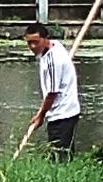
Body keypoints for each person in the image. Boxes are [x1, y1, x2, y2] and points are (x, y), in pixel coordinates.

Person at [22, 22, 80, 162]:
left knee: (59, 157)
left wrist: (40, 116)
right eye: (29, 43)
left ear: (45, 38)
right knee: (63, 153)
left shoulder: (53, 61)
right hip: (68, 111)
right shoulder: (55, 45)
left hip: (62, 114)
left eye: (36, 42)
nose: (32, 47)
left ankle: (64, 181)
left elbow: (52, 93)